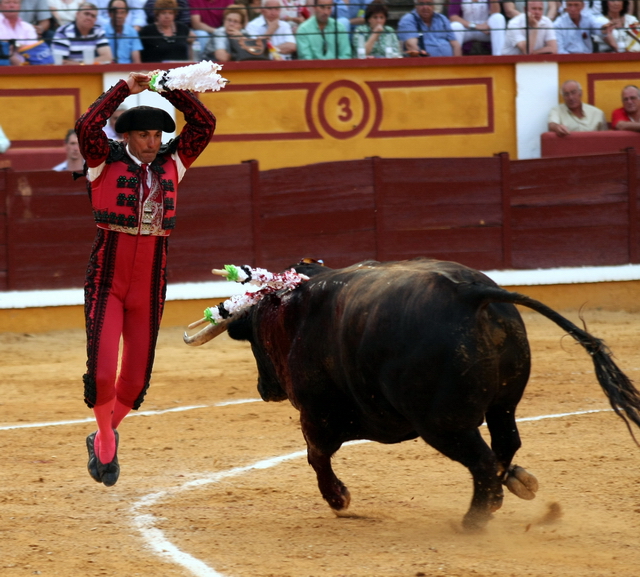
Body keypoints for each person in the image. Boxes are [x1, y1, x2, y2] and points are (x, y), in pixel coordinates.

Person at [75, 70, 216, 487]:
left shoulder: (173, 163)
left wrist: (168, 86)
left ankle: (102, 435)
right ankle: (104, 439)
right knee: (101, 375)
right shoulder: (103, 161)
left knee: (134, 383)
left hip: (151, 283)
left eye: (158, 136)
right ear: (127, 137)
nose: (154, 143)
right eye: (145, 136)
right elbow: (86, 125)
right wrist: (125, 89)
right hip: (106, 280)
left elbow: (204, 124)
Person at [396, 0, 461, 57]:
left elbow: (456, 46)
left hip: (449, 66)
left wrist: (457, 66)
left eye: (429, 3)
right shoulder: (408, 20)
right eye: (421, 4)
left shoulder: (442, 19)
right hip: (425, 67)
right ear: (416, 5)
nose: (425, 7)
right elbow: (412, 47)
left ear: (434, 5)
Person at [0, 0, 38, 65]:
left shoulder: (28, 27)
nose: (12, 6)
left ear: (20, 6)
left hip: (27, 71)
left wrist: (15, 45)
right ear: (0, 6)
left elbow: (33, 52)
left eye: (15, 2)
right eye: (7, 2)